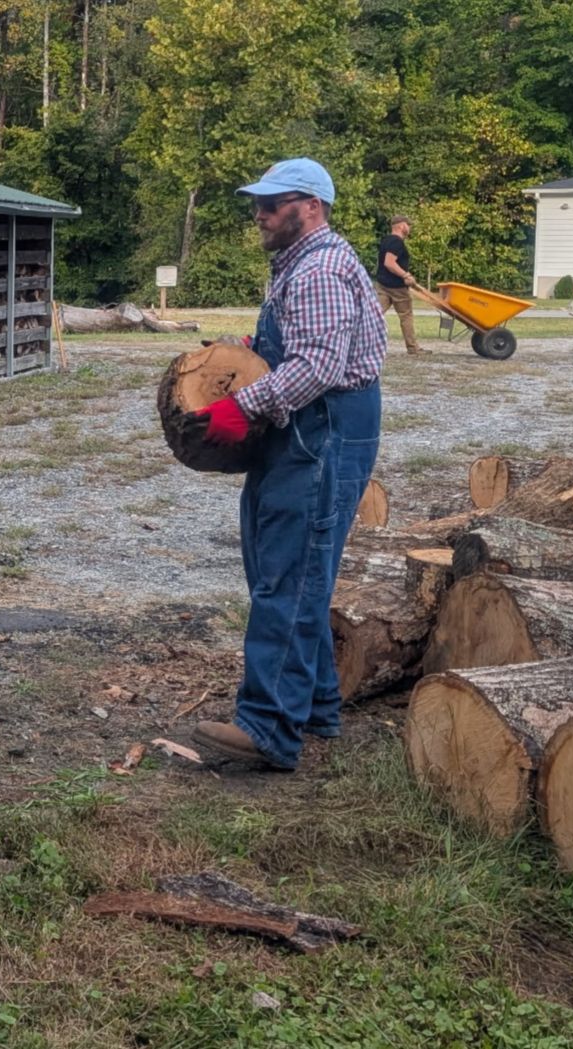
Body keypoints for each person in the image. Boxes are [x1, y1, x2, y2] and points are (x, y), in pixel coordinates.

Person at [187, 158, 387, 771]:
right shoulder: (301, 264)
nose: (261, 212)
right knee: (293, 568)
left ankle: (269, 727)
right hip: (309, 426)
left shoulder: (319, 268)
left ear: (312, 207)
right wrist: (252, 353)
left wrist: (242, 405)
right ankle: (318, 704)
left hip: (322, 428)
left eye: (274, 203)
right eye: (259, 202)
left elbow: (319, 366)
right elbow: (304, 348)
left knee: (289, 576)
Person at [375, 215, 424, 355]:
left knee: (373, 314)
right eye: (409, 225)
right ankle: (413, 348)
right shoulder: (397, 242)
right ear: (402, 226)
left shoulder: (386, 240)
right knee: (406, 316)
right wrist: (406, 275)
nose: (410, 228)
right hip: (397, 288)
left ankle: (356, 342)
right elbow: (389, 263)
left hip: (382, 284)